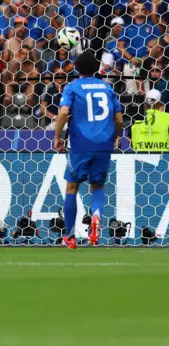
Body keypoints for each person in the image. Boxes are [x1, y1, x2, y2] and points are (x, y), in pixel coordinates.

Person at [54, 51, 123, 249]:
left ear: (76, 68)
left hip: (80, 144)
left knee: (72, 187)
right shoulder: (107, 88)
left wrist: (58, 137)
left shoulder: (72, 87)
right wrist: (115, 137)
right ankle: (96, 215)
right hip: (104, 144)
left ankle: (69, 236)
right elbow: (119, 119)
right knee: (98, 186)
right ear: (96, 69)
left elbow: (64, 112)